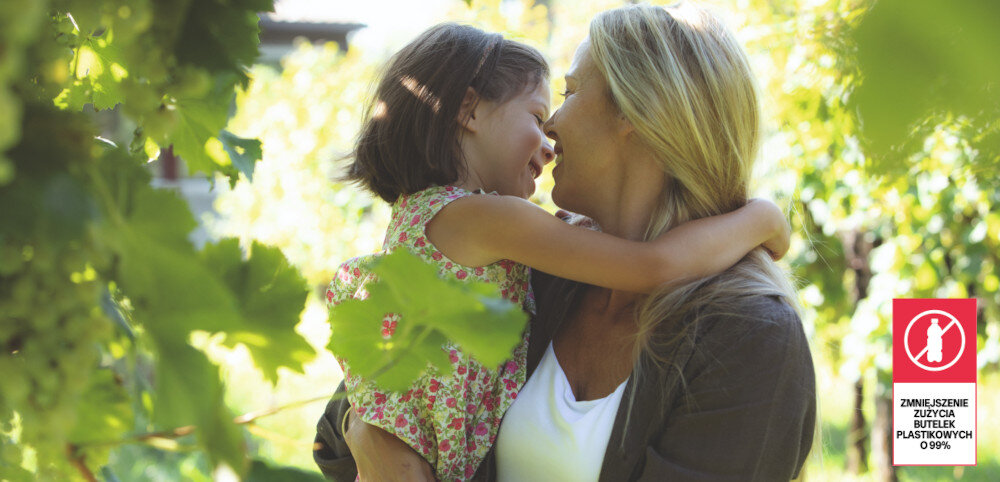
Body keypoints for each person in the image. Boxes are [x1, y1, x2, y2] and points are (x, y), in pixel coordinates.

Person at [317, 7, 813, 481]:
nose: (550, 129)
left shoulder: (750, 334)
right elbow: (353, 409)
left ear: (637, 112)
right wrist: (367, 434)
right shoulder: (531, 268)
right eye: (539, 110)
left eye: (570, 91)